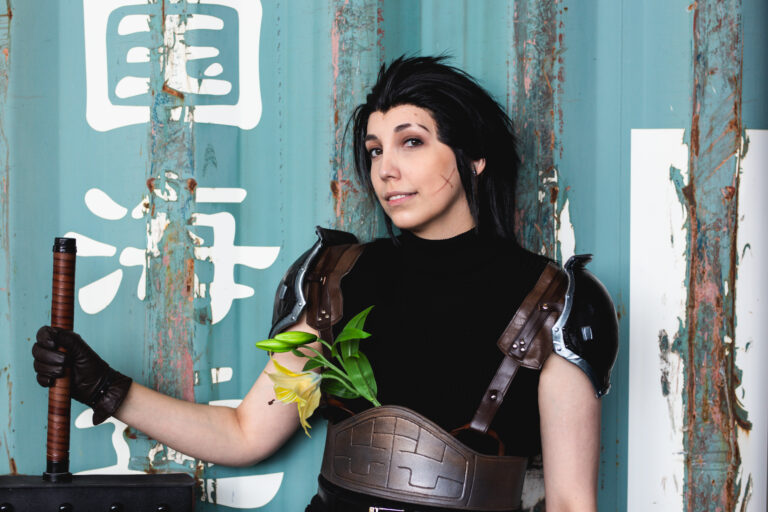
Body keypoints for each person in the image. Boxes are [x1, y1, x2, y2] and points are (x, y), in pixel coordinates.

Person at [33, 56, 618, 512]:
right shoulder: (336, 276)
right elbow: (245, 433)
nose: (385, 169)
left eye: (412, 142)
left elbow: (571, 502)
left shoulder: (556, 302)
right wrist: (105, 386)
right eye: (374, 150)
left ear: (475, 158)